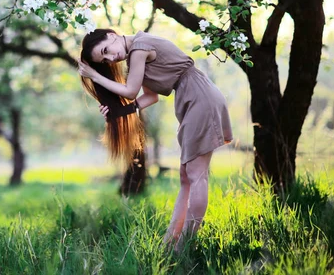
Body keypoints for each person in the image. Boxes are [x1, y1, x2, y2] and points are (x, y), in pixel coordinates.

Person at [78, 28, 232, 249]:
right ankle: (170, 242)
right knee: (186, 176)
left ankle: (186, 245)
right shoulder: (136, 55)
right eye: (104, 60)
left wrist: (95, 76)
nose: (111, 58)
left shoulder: (140, 47)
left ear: (111, 35)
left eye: (106, 51)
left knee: (196, 175)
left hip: (200, 98)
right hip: (192, 98)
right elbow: (150, 97)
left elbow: (131, 91)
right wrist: (118, 112)